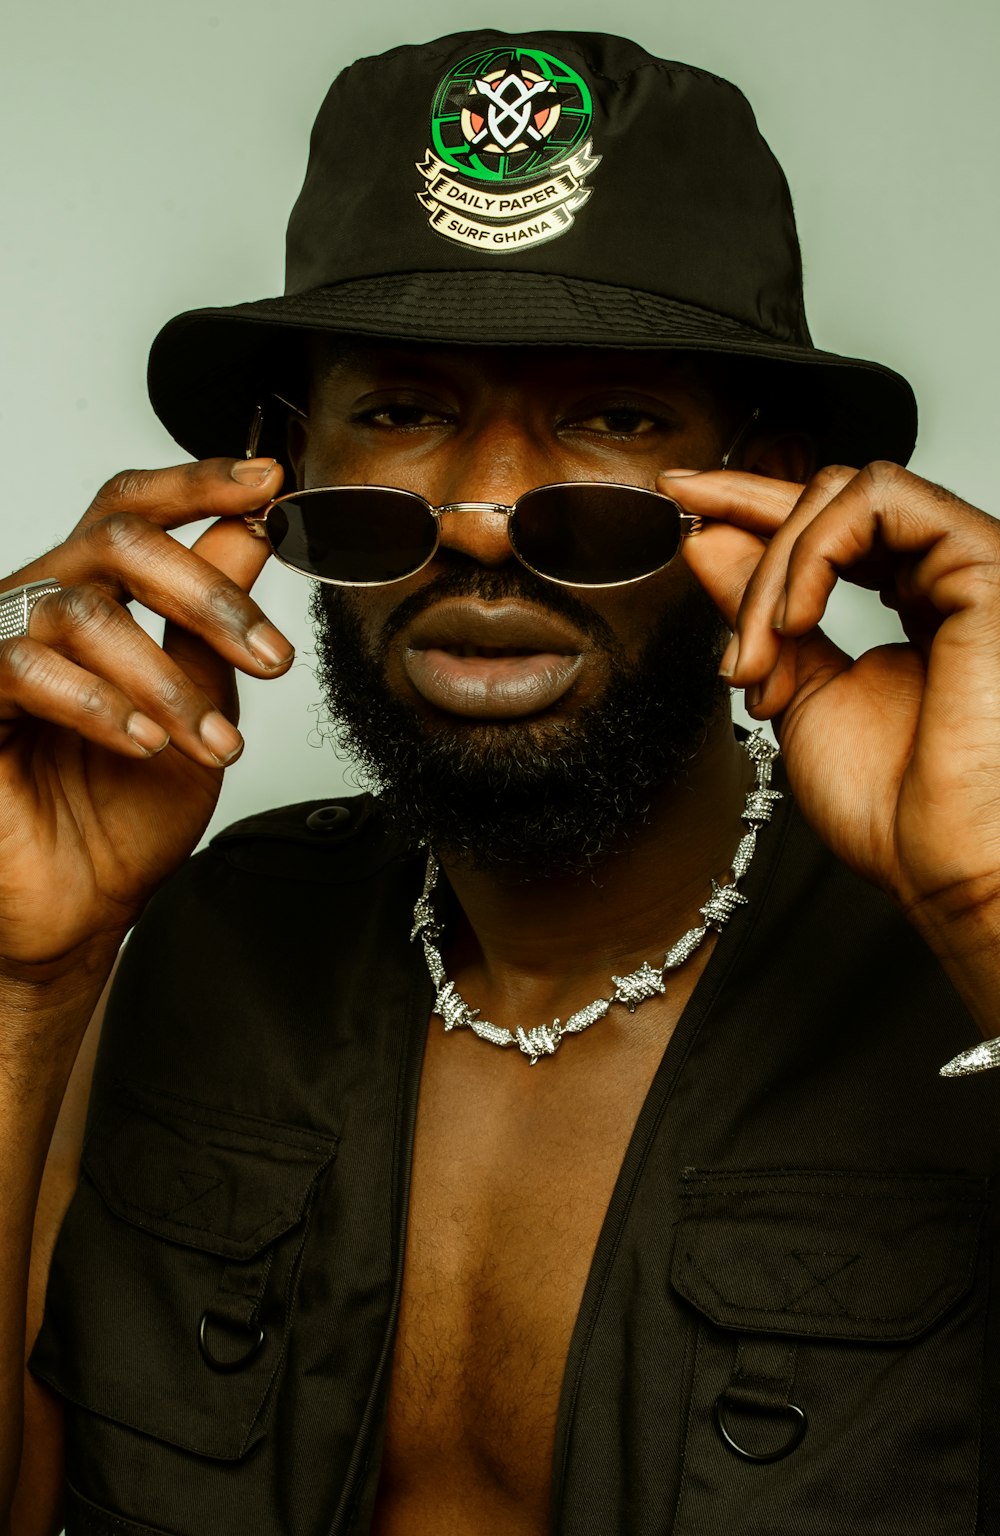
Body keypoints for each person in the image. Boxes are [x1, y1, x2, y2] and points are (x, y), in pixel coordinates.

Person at [3, 27, 1000, 1536]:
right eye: (402, 409)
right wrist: (25, 979)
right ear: (279, 466)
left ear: (778, 485)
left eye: (612, 415)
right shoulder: (209, 941)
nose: (482, 518)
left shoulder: (951, 974)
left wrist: (994, 892)